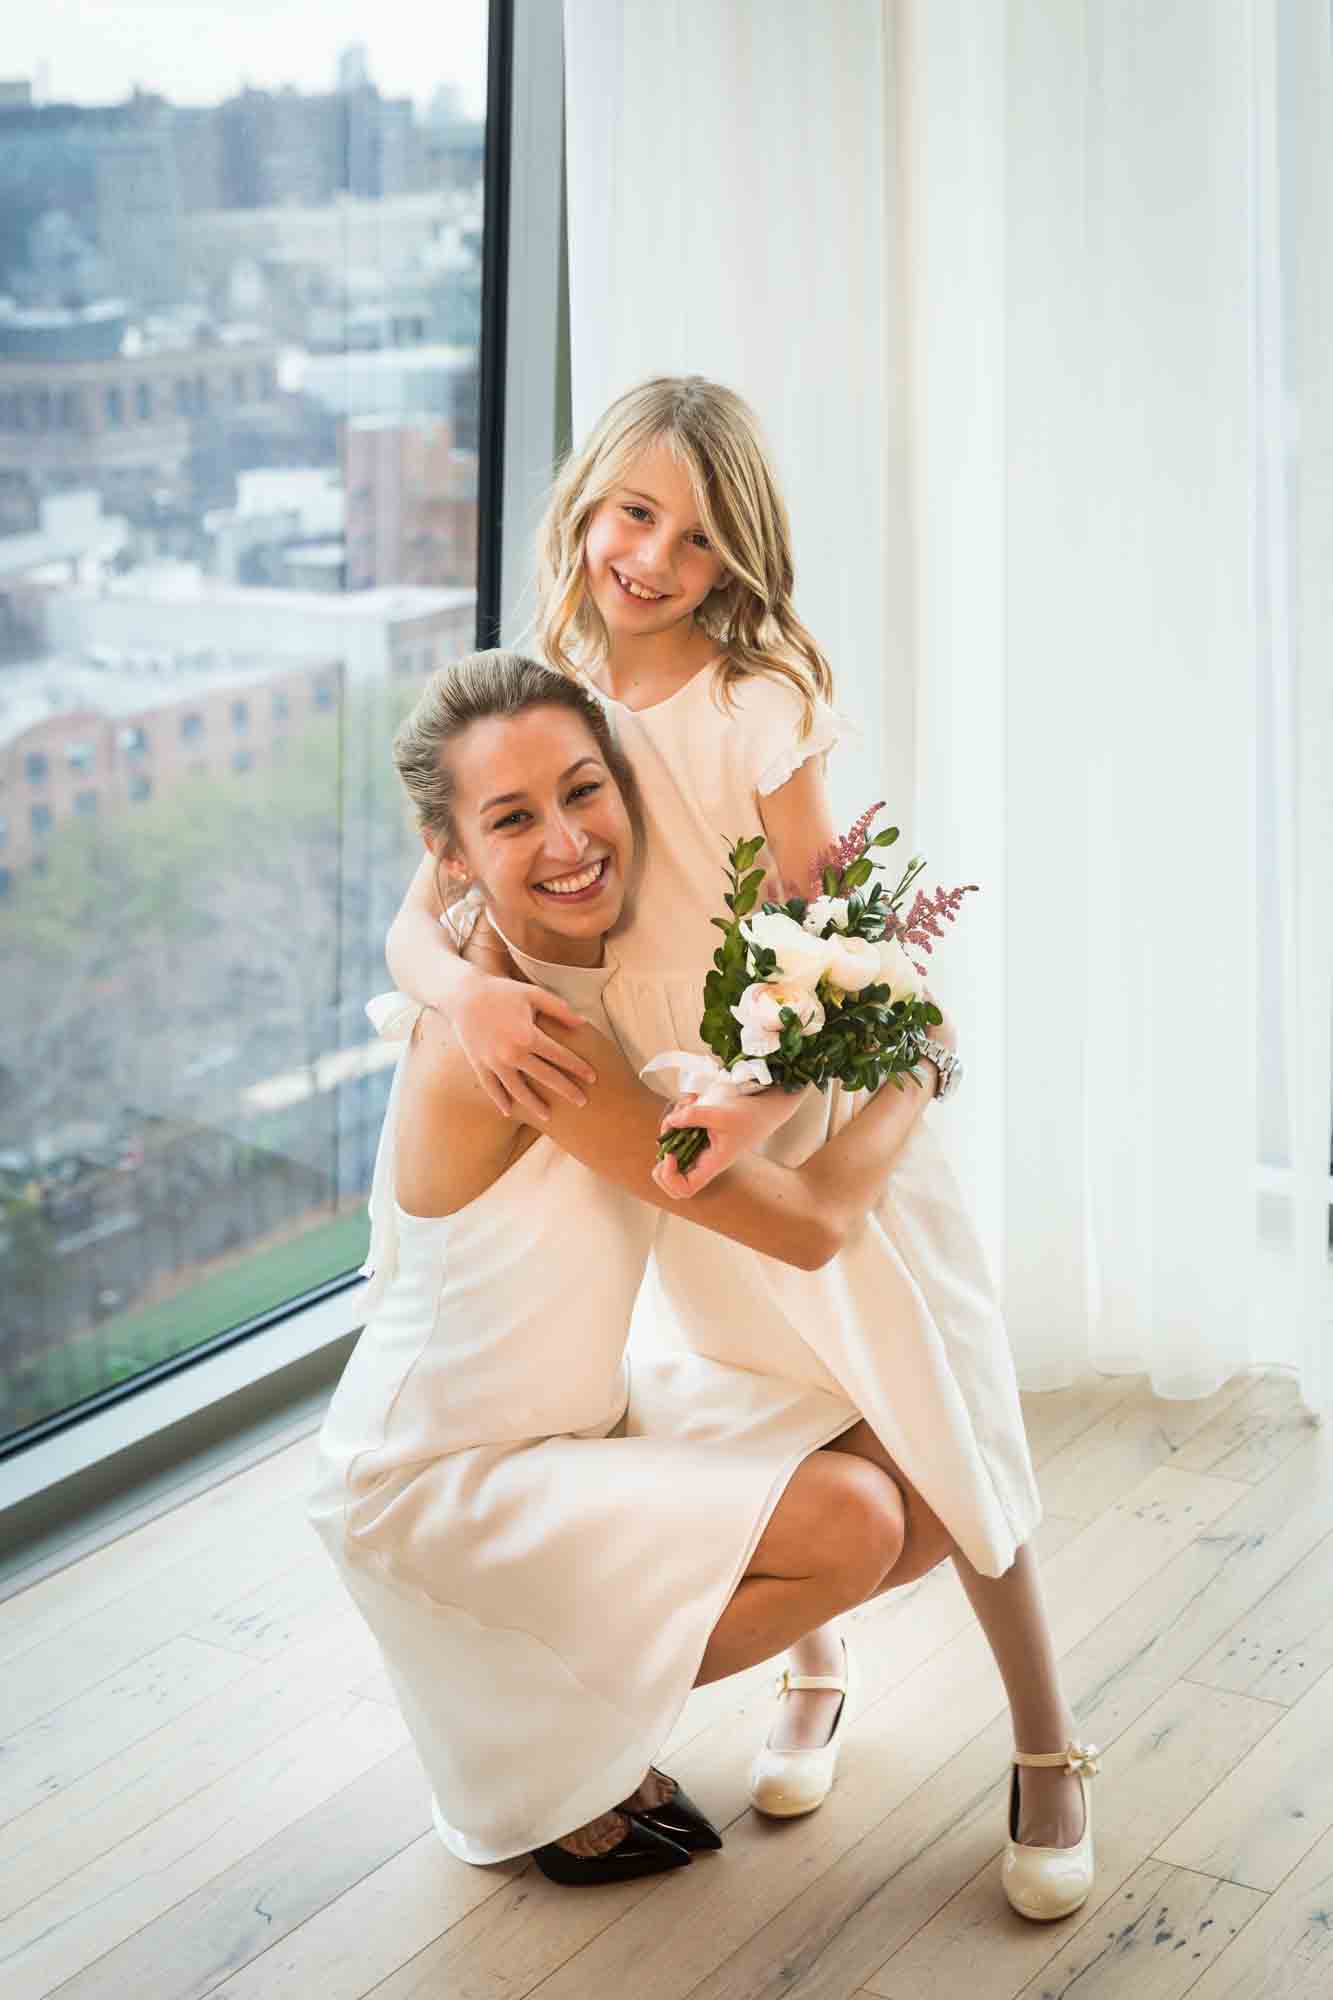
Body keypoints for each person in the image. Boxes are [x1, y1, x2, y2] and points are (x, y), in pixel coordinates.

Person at [384, 378, 1102, 1922]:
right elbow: (422, 900)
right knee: (772, 1410)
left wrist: (764, 1104)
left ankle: (1048, 1747)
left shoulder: (750, 696)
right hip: (659, 1116)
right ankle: (816, 1659)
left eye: (696, 540)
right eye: (634, 513)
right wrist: (455, 992)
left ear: (735, 562)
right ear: (585, 503)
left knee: (933, 1409)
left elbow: (829, 924)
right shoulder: (548, 690)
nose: (652, 557)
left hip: (786, 1095)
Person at [310, 651, 961, 1888]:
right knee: (857, 1519)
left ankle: (536, 1711)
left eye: (584, 789)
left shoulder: (544, 968)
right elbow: (811, 1224)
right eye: (511, 817)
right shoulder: (527, 1038)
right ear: (451, 853)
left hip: (567, 1430)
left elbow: (421, 919)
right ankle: (551, 1740)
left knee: (929, 1484)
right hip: (438, 1478)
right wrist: (919, 1068)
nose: (566, 838)